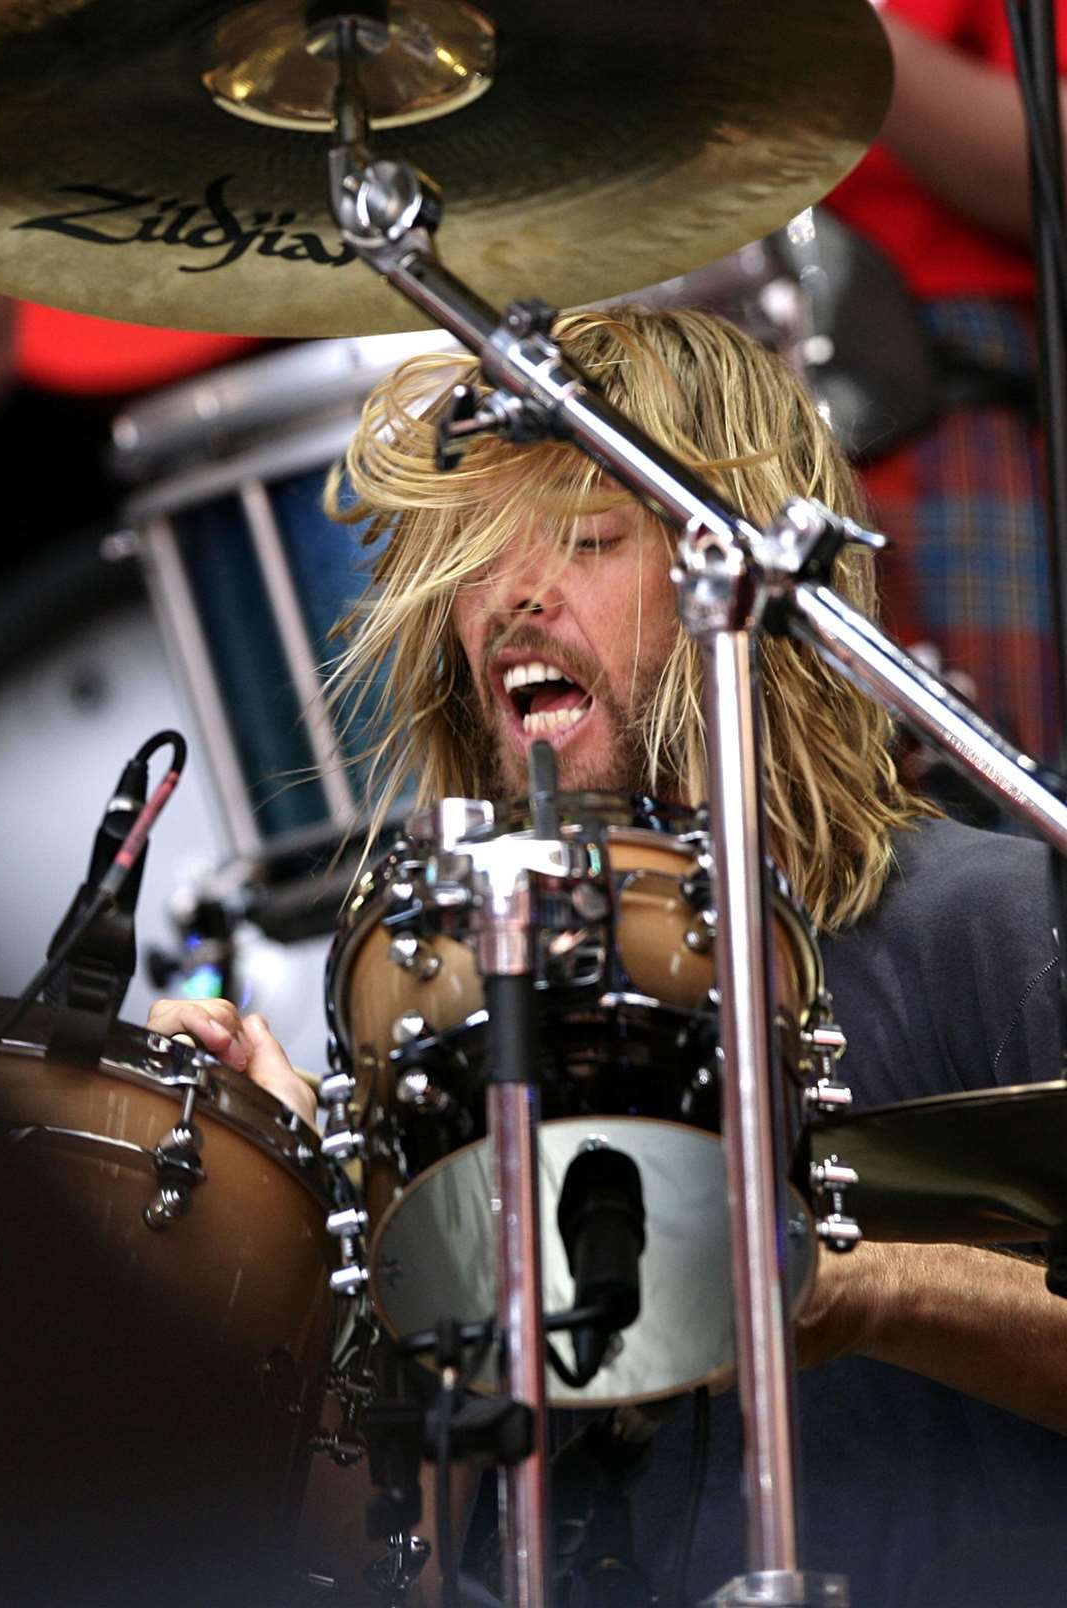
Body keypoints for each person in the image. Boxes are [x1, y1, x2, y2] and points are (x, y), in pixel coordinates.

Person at [149, 305, 1067, 1606]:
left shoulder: (995, 920)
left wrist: (847, 1288)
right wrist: (311, 1210)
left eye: (585, 541)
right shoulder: (461, 1026)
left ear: (739, 588)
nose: (517, 598)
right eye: (475, 559)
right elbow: (382, 1555)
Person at [824, 0, 1067, 764]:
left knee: (984, 794)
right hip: (697, 379)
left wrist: (820, 34)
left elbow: (1047, 160)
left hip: (936, 399)